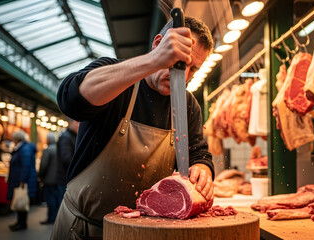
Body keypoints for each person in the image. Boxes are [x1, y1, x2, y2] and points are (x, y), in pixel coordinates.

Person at [51, 16, 215, 239]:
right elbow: (71, 101)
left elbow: (198, 154)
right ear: (158, 44)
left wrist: (203, 169)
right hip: (82, 229)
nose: (184, 76)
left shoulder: (187, 104)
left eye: (193, 69)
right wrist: (153, 61)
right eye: (179, 63)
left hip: (145, 231)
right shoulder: (116, 75)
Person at [7, 130, 37, 231]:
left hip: (22, 180)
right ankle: (19, 222)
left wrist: (22, 180)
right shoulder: (22, 148)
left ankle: (22, 223)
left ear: (17, 139)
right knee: (20, 200)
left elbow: (26, 166)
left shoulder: (24, 149)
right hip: (19, 178)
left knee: (21, 200)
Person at [38, 132, 59, 224]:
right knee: (56, 198)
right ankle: (56, 217)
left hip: (49, 179)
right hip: (58, 178)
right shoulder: (59, 149)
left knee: (50, 199)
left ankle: (51, 218)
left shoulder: (48, 150)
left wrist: (40, 175)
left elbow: (43, 165)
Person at [56, 117, 79, 201]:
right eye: (77, 122)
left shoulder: (73, 136)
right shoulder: (66, 137)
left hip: (69, 179)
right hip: (65, 179)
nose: (79, 125)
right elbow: (66, 159)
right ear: (70, 123)